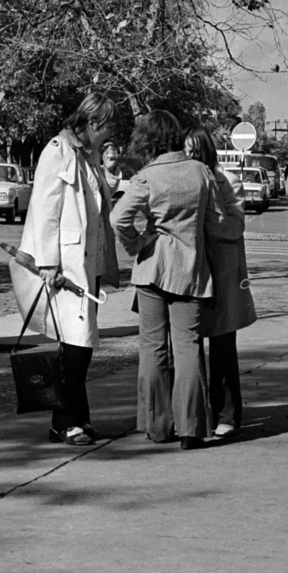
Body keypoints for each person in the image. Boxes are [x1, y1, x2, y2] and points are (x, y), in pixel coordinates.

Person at [11, 91, 123, 447]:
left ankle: (78, 418)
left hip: (86, 262)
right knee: (77, 343)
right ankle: (63, 421)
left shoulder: (86, 156)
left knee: (79, 340)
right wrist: (47, 262)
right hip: (65, 264)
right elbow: (45, 207)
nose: (108, 136)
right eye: (106, 128)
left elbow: (95, 198)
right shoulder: (58, 150)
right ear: (91, 123)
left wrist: (112, 175)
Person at [112, 109, 216, 448]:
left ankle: (157, 426)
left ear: (147, 140)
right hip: (190, 269)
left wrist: (139, 240)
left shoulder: (145, 177)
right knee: (188, 348)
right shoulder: (200, 171)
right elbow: (216, 220)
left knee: (152, 349)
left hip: (151, 269)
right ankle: (191, 429)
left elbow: (118, 219)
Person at [184, 127, 256, 440]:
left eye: (194, 151)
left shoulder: (225, 179)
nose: (189, 157)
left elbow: (236, 226)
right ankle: (194, 413)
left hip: (222, 273)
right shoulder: (183, 178)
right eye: (184, 151)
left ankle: (226, 413)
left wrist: (210, 217)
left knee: (223, 345)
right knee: (189, 345)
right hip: (191, 270)